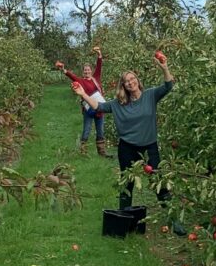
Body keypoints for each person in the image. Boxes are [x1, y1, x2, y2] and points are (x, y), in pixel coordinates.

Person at [74, 52, 174, 210]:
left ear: (137, 80)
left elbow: (168, 86)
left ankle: (171, 217)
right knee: (127, 182)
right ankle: (124, 216)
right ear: (123, 86)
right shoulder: (117, 104)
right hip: (127, 148)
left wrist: (165, 68)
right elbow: (98, 106)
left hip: (150, 147)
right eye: (126, 81)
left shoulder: (151, 95)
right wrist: (83, 94)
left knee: (158, 181)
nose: (130, 83)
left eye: (132, 79)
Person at [55, 46, 106, 156]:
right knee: (86, 131)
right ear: (83, 72)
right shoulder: (81, 81)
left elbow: (99, 66)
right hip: (88, 109)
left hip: (99, 108)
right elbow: (71, 75)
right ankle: (83, 153)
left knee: (100, 131)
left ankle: (102, 153)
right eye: (85, 70)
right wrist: (63, 69)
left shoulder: (96, 78)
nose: (87, 71)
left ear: (91, 71)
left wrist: (99, 55)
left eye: (88, 70)